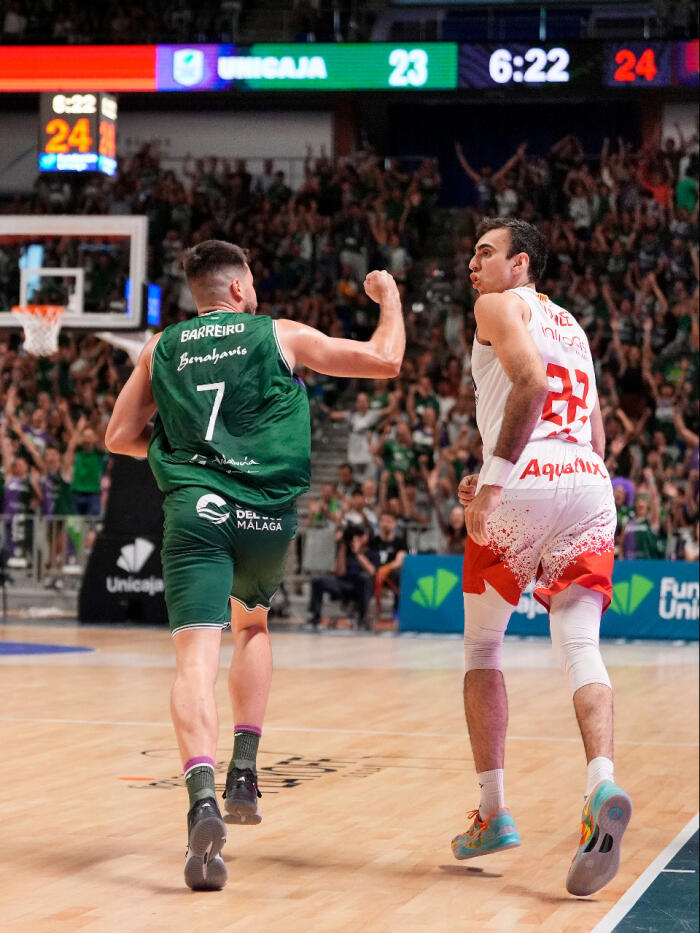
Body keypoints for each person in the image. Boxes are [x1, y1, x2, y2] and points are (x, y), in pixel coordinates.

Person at [105, 240, 404, 891]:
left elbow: (118, 436)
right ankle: (245, 767)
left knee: (194, 660)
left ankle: (203, 798)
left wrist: (178, 449)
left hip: (194, 510)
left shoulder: (162, 348)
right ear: (239, 289)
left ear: (198, 293)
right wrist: (390, 299)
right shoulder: (278, 333)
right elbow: (386, 360)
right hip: (262, 513)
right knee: (254, 627)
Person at [451, 217, 631, 898]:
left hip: (524, 480)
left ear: (519, 263)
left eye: (486, 251)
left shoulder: (496, 304)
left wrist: (497, 478)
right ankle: (601, 783)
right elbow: (596, 430)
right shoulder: (574, 327)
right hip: (588, 481)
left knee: (482, 649)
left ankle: (493, 809)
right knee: (579, 638)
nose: (474, 262)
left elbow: (529, 384)